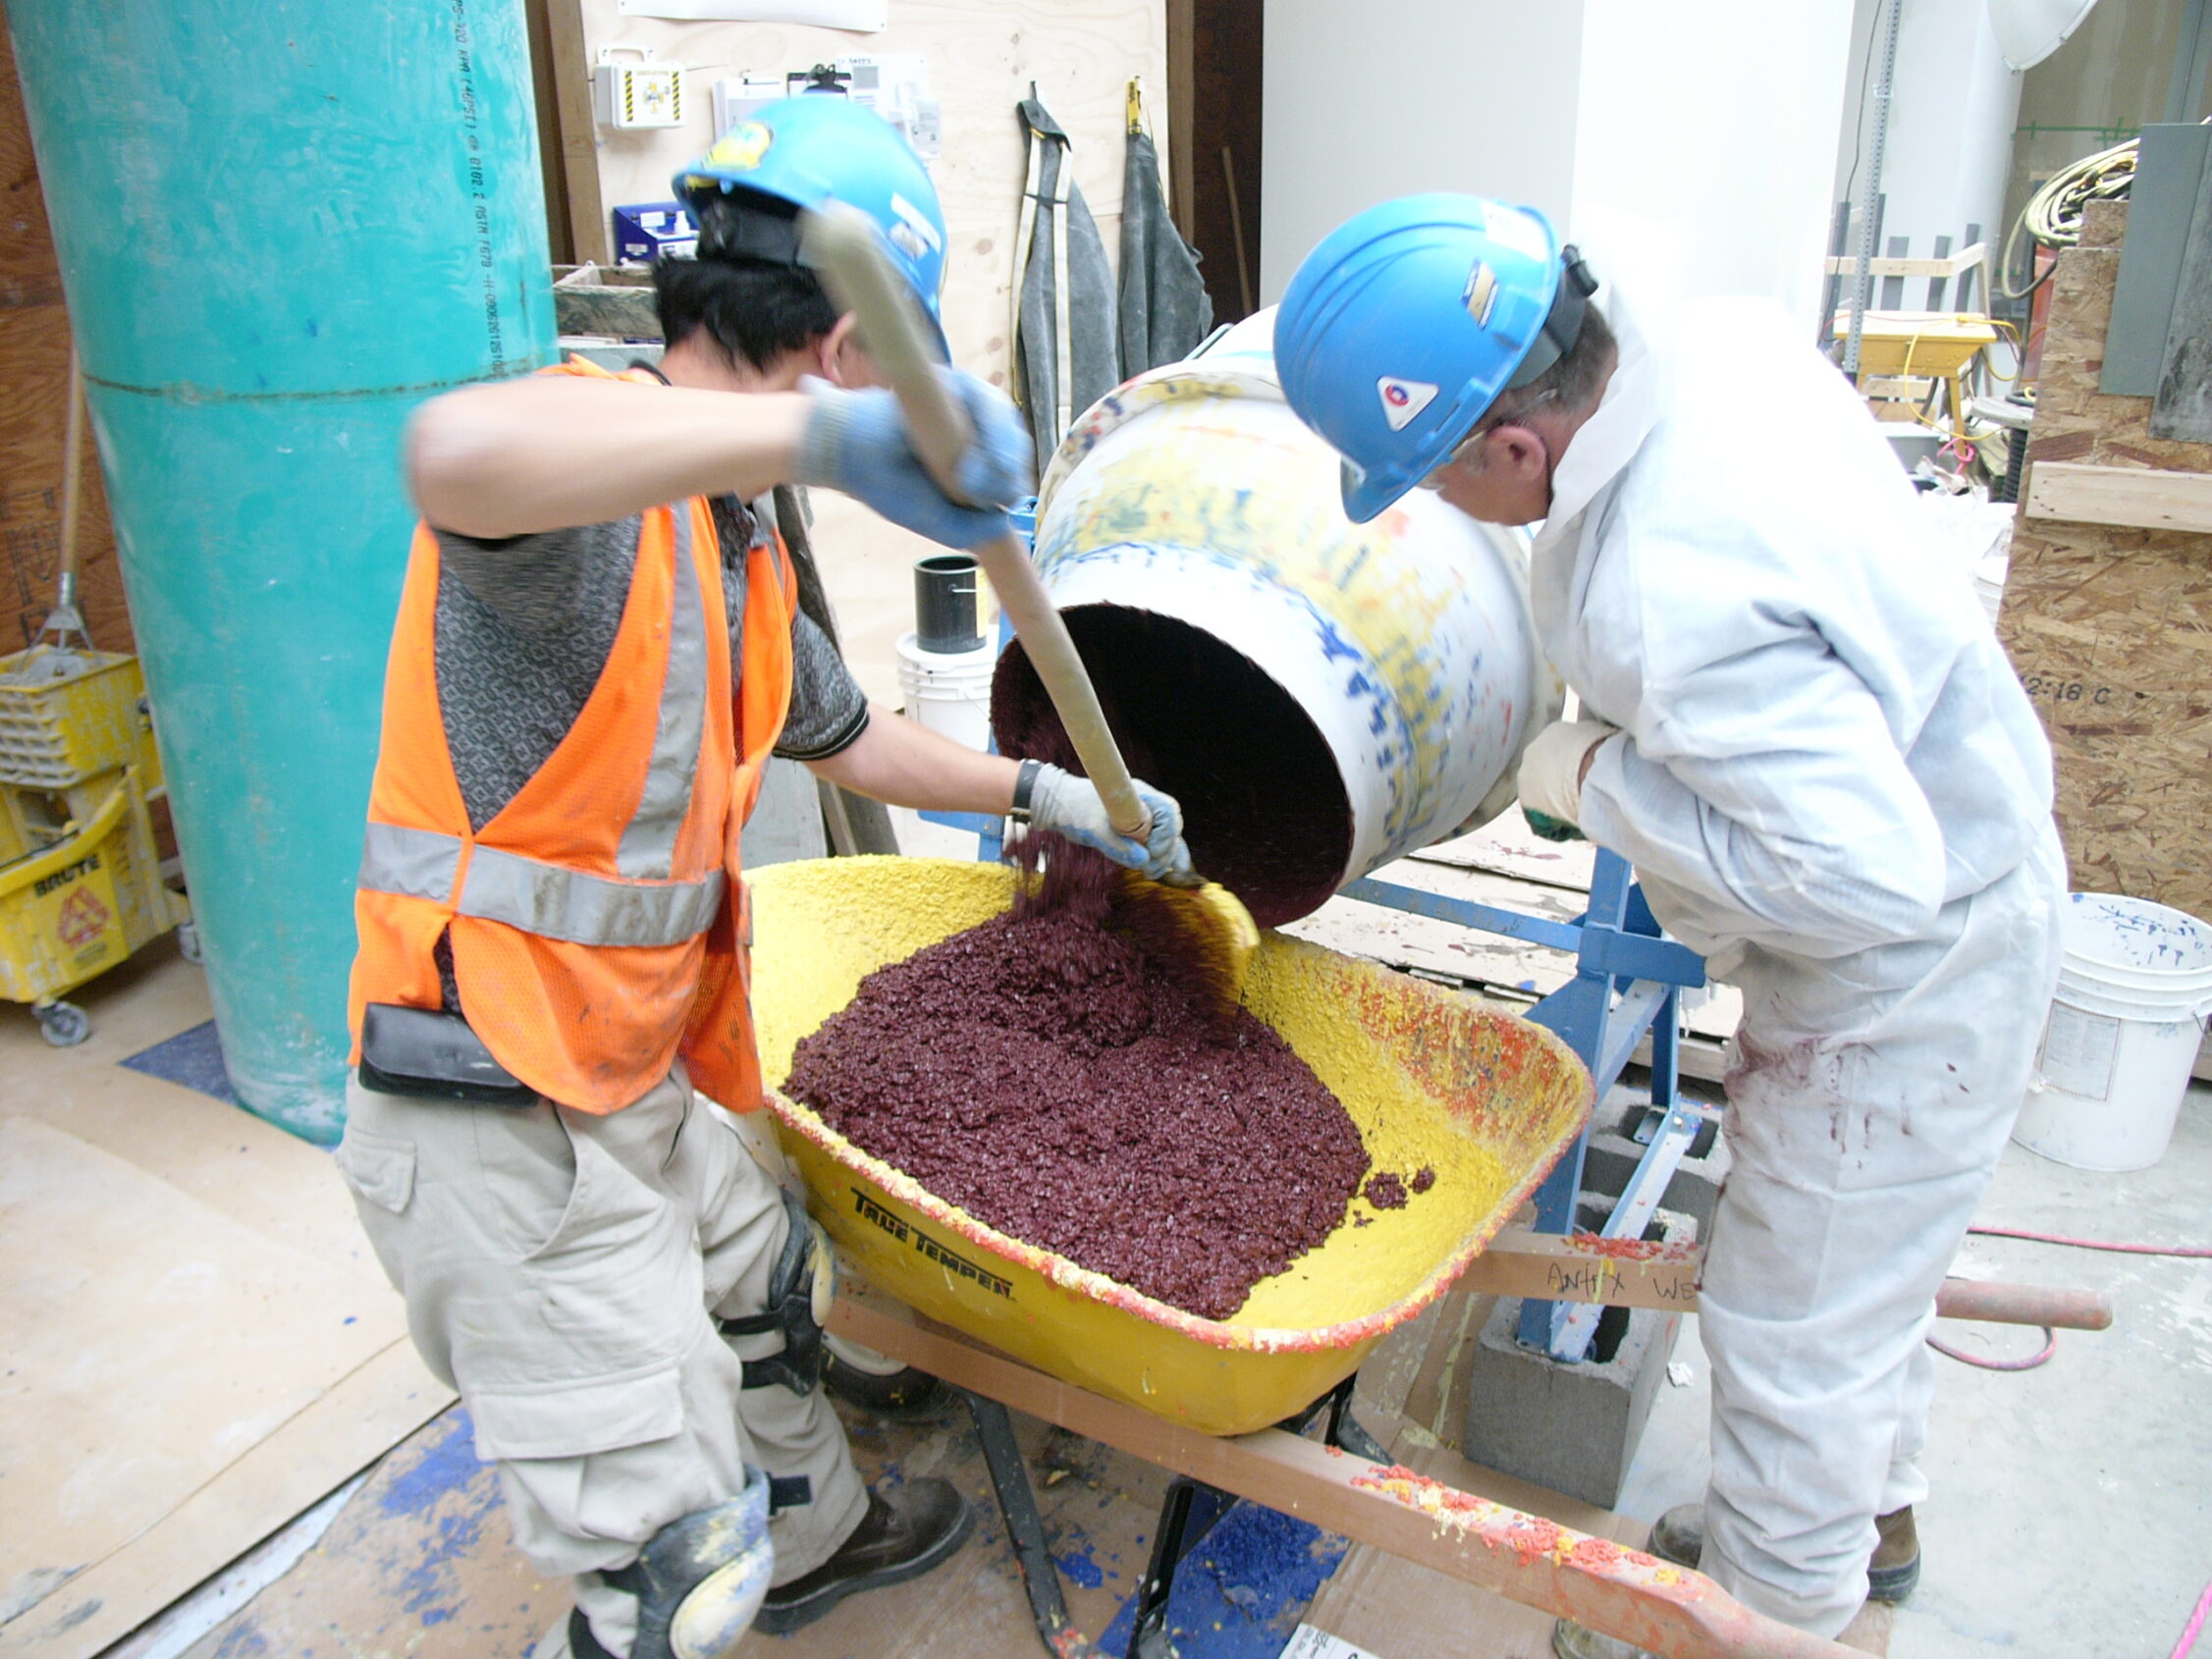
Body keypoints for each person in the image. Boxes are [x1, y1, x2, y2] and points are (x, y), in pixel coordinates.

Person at [334, 98, 1191, 1659]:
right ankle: (693, 1593)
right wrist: (823, 444)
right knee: (674, 1574)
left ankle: (817, 1542)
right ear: (860, 357)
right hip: (492, 1097)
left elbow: (851, 737)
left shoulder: (734, 549)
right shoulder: (589, 482)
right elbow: (447, 453)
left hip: (631, 1060)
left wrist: (1046, 789)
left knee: (767, 1278)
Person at [1272, 194, 2065, 1654]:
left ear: (1514, 444)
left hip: (1907, 966)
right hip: (1977, 832)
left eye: (1435, 480)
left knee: (1790, 1329)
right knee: (1864, 1282)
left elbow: (1861, 877)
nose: (1442, 508)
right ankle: (1861, 1520)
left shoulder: (1666, 588)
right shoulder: (1707, 345)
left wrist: (1591, 771)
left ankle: (1771, 1612)